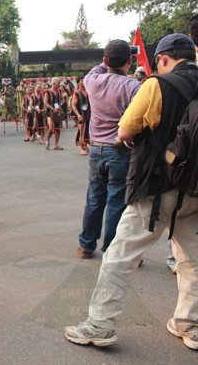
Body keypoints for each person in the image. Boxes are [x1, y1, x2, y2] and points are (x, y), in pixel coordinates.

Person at [65, 33, 198, 351]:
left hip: (156, 188)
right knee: (193, 260)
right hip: (193, 190)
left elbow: (125, 130)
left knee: (118, 256)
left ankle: (100, 324)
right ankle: (189, 324)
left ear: (163, 59)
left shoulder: (157, 85)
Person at [76, 40, 141, 259]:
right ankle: (111, 249)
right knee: (116, 200)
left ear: (105, 61)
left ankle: (86, 245)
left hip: (96, 149)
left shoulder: (92, 81)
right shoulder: (134, 87)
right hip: (120, 150)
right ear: (130, 62)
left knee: (95, 197)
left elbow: (98, 67)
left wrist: (108, 60)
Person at [43, 77, 65, 150]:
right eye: (58, 82)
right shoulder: (48, 92)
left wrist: (60, 105)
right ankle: (47, 140)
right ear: (53, 83)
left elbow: (63, 99)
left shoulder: (59, 91)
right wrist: (53, 108)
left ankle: (56, 145)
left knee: (57, 129)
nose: (59, 84)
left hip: (57, 111)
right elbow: (45, 103)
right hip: (50, 112)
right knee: (51, 127)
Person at [71, 80, 90, 155]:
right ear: (78, 83)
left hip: (89, 114)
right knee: (81, 131)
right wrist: (78, 114)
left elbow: (86, 104)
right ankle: (82, 148)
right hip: (80, 115)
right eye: (82, 80)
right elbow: (74, 105)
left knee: (87, 131)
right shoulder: (76, 93)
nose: (84, 81)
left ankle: (85, 145)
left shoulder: (88, 91)